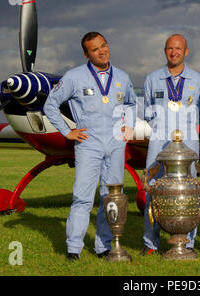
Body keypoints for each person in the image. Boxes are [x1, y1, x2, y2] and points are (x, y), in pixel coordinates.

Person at [44, 32, 136, 260]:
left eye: (104, 45)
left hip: (115, 145)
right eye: (95, 49)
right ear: (86, 54)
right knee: (82, 197)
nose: (102, 51)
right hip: (88, 144)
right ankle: (73, 248)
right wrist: (68, 131)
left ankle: (104, 246)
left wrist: (129, 126)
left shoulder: (122, 77)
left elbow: (132, 103)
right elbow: (50, 105)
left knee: (111, 197)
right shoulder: (74, 77)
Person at [141, 34, 200, 257]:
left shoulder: (198, 80)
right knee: (153, 188)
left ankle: (187, 242)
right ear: (165, 51)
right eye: (170, 48)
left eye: (178, 48)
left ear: (186, 51)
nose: (174, 52)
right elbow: (147, 111)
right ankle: (151, 244)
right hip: (159, 141)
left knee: (190, 191)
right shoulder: (152, 78)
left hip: (187, 141)